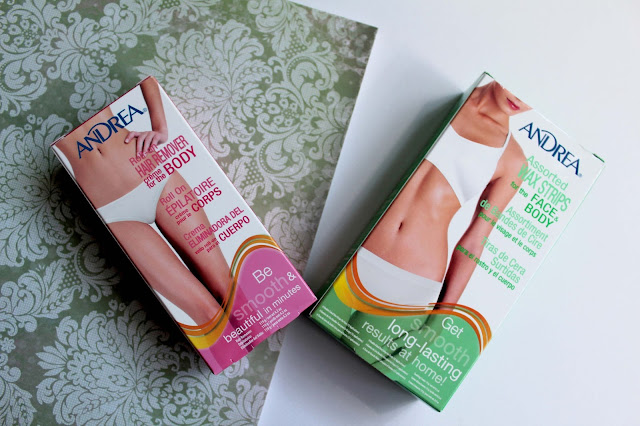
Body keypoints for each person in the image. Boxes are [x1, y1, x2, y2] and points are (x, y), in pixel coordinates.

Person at [53, 78, 230, 327]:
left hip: (153, 174)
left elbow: (148, 83)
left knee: (225, 287)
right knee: (207, 314)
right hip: (114, 212)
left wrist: (160, 127)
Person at [352, 79, 531, 311]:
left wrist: (442, 315)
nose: (522, 99)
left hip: (415, 278)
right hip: (356, 245)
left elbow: (474, 243)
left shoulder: (513, 160)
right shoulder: (442, 92)